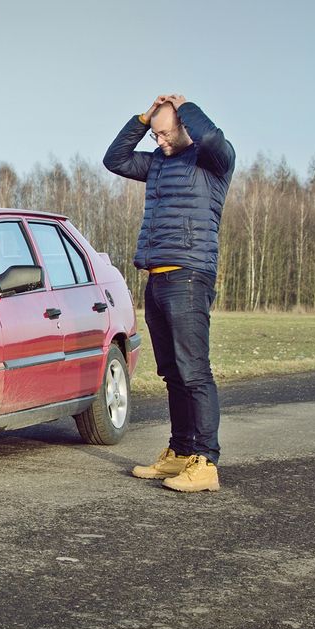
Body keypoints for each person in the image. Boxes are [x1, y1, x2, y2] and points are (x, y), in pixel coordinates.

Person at [103, 94, 235, 492]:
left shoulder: (211, 162)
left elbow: (212, 139)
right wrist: (143, 118)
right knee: (172, 372)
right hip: (157, 278)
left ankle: (206, 462)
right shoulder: (158, 164)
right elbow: (115, 159)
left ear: (184, 126)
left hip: (190, 276)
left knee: (194, 371)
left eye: (164, 133)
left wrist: (186, 106)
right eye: (154, 133)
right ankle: (180, 453)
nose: (157, 141)